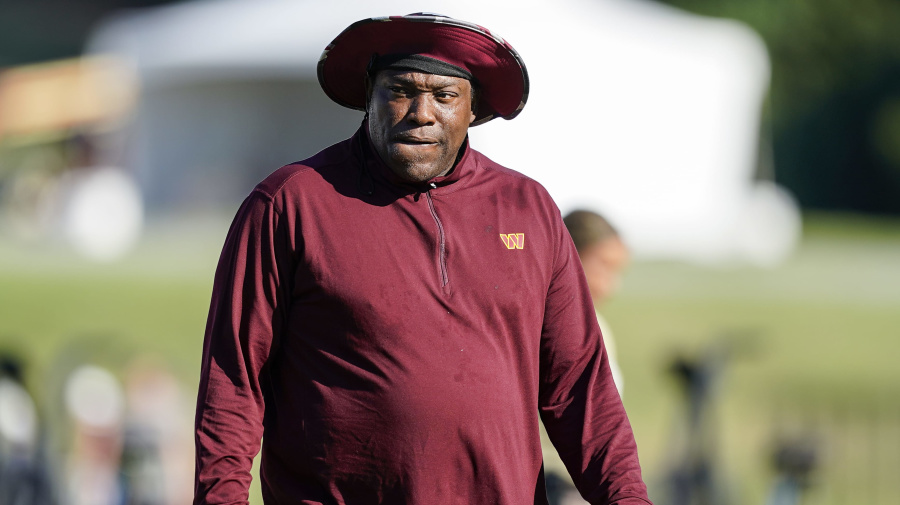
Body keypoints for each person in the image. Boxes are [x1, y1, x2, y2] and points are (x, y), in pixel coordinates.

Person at [194, 13, 651, 505]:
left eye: (445, 95)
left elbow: (581, 391)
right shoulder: (291, 203)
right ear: (368, 96)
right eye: (401, 90)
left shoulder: (529, 208)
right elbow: (232, 385)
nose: (421, 112)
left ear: (473, 109)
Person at [563, 210, 631, 396]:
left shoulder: (598, 326)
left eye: (616, 271)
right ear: (569, 256)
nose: (610, 287)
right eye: (604, 265)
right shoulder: (534, 331)